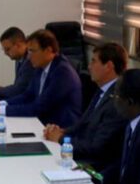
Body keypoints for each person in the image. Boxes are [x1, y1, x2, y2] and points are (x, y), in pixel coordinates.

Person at [43, 42, 129, 172]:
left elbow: (97, 147)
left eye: (94, 62)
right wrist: (61, 131)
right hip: (81, 155)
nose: (89, 66)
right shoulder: (102, 91)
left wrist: (61, 139)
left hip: (94, 167)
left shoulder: (117, 101)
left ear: (109, 66)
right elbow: (82, 124)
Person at [0, 29, 81, 127]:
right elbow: (27, 95)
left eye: (32, 51)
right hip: (41, 122)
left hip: (59, 129)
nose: (29, 56)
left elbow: (39, 107)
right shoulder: (41, 66)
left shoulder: (62, 72)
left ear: (48, 50)